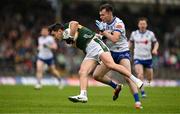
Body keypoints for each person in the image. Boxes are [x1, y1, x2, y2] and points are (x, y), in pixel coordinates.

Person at [48, 21, 143, 103]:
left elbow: (75, 23)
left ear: (59, 31)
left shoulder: (66, 27)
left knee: (111, 65)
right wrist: (71, 40)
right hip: (89, 50)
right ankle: (83, 95)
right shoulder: (65, 38)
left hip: (95, 44)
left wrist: (71, 36)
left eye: (54, 34)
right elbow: (79, 40)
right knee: (82, 72)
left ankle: (136, 80)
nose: (54, 37)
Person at [94, 3, 142, 109]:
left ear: (110, 13)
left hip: (122, 52)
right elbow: (103, 37)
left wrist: (103, 31)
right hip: (109, 53)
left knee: (128, 76)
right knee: (96, 75)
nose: (101, 17)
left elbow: (115, 39)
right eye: (100, 15)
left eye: (103, 15)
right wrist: (97, 36)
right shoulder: (104, 23)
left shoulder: (119, 23)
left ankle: (137, 102)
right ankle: (116, 86)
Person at [129, 17, 159, 98]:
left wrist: (155, 49)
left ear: (146, 25)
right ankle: (142, 92)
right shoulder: (134, 34)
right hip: (138, 58)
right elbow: (130, 43)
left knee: (150, 78)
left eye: (144, 24)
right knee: (140, 74)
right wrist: (127, 49)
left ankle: (147, 82)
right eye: (141, 24)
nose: (142, 25)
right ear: (138, 25)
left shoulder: (150, 34)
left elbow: (156, 43)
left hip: (148, 58)